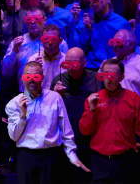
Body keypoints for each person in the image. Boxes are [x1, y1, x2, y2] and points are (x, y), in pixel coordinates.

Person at [6, 61, 90, 184]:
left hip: (51, 155)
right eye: (28, 77)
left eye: (36, 77)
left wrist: (72, 155)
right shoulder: (14, 104)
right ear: (22, 78)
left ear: (42, 78)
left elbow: (65, 128)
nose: (32, 80)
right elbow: (14, 137)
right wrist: (23, 116)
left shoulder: (54, 97)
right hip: (26, 156)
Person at [79, 59, 140, 184]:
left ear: (121, 77)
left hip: (125, 161)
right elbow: (85, 131)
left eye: (113, 75)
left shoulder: (134, 99)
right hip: (99, 161)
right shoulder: (94, 99)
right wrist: (92, 110)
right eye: (105, 75)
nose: (108, 79)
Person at [51, 47, 102, 183]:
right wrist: (55, 95)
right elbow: (50, 109)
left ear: (84, 62)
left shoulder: (96, 79)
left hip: (89, 134)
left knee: (85, 174)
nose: (71, 68)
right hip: (66, 134)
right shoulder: (59, 80)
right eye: (67, 64)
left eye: (75, 64)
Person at [2, 8, 69, 92]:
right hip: (26, 94)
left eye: (36, 19)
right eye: (29, 19)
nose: (32, 22)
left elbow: (67, 71)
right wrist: (14, 51)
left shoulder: (59, 42)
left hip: (55, 92)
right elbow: (6, 72)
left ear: (44, 20)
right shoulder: (18, 43)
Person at [73, 0, 130, 69]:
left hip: (112, 69)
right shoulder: (86, 22)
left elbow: (128, 53)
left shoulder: (120, 24)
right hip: (90, 69)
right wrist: (87, 31)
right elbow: (80, 50)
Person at [108, 29, 140, 97]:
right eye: (113, 42)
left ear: (131, 45)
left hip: (136, 106)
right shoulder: (109, 63)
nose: (114, 46)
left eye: (118, 43)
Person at [28, 24, 66, 90]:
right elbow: (27, 89)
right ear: (41, 41)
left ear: (60, 41)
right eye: (46, 39)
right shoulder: (33, 59)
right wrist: (35, 72)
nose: (50, 42)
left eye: (53, 39)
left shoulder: (66, 60)